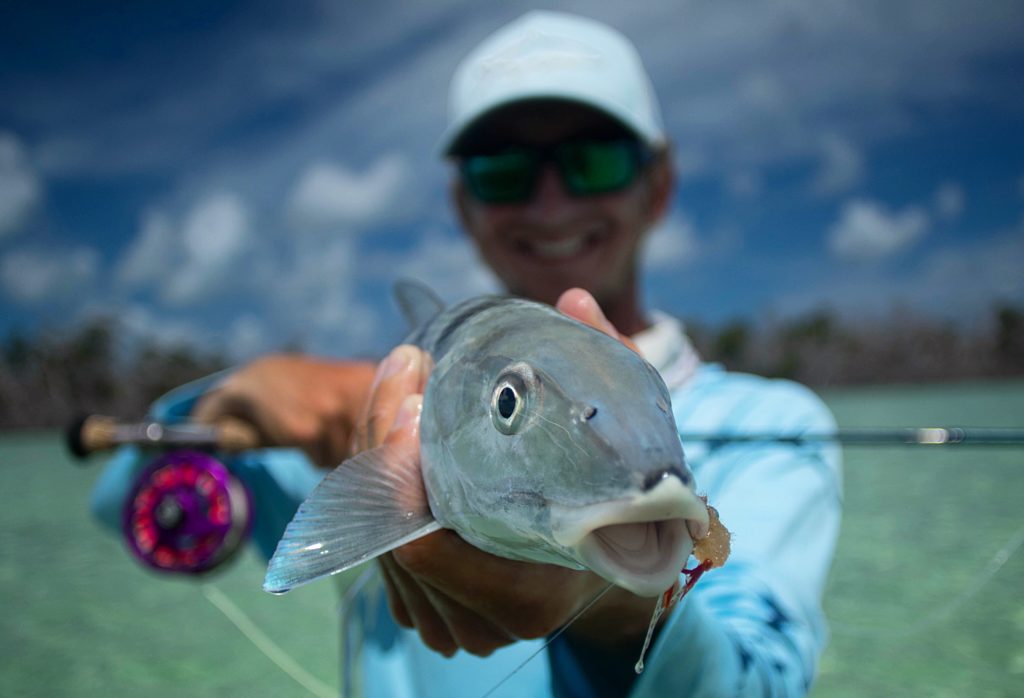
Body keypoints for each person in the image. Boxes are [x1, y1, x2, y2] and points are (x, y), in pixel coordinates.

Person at [93, 11, 842, 697]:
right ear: (461, 204)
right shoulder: (360, 432)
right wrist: (229, 401)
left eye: (596, 161)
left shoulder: (779, 423)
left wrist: (614, 612)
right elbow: (115, 502)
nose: (551, 204)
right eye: (503, 171)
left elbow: (766, 680)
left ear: (659, 185)